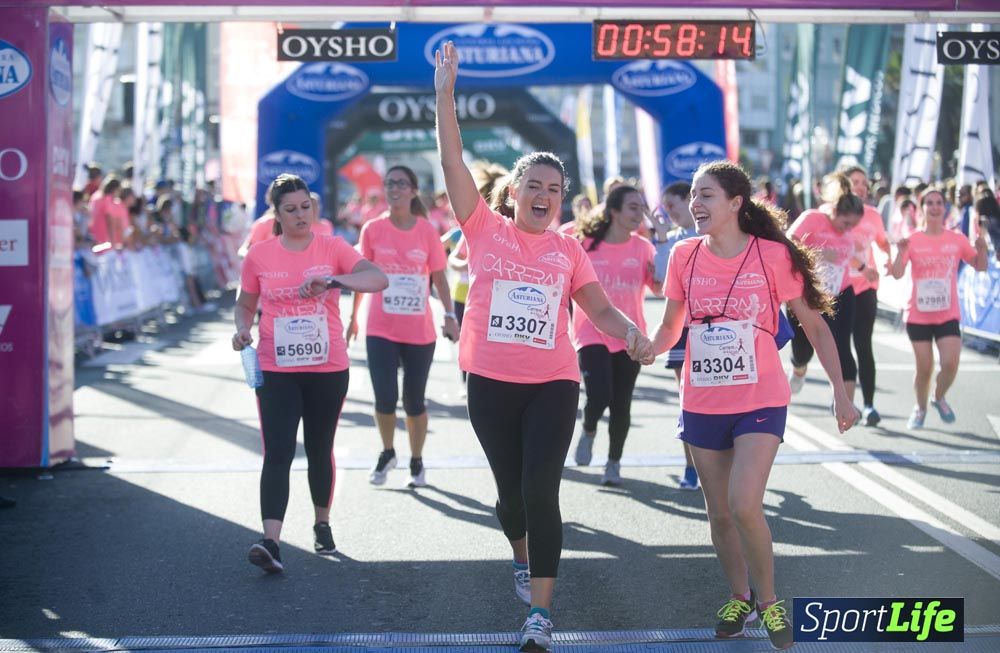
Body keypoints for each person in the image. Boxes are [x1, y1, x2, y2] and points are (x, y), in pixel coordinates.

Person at [435, 41, 653, 653]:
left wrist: (631, 332)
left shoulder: (567, 249)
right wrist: (445, 97)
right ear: (514, 192)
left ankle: (540, 613)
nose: (545, 194)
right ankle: (520, 554)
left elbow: (599, 308)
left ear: (562, 199)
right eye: (534, 184)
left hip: (554, 381)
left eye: (555, 188)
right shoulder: (483, 228)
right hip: (490, 380)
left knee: (541, 489)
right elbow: (452, 163)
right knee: (510, 497)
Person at [650, 160, 858, 650]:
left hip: (761, 395)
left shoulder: (772, 256)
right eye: (694, 196)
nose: (695, 205)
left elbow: (815, 324)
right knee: (719, 512)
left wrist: (841, 391)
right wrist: (647, 346)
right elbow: (669, 328)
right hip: (702, 397)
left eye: (706, 196)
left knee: (745, 503)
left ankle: (768, 602)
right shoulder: (683, 256)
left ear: (736, 203)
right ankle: (738, 596)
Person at [233, 173, 388, 573]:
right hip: (276, 366)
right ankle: (271, 540)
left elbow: (377, 278)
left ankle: (322, 522)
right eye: (291, 210)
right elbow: (245, 303)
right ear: (277, 215)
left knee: (320, 448)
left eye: (306, 207)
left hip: (327, 367)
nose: (301, 215)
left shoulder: (332, 246)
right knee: (279, 451)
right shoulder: (260, 255)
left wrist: (334, 280)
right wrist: (242, 329)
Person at [346, 165, 460, 488]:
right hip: (381, 327)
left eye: (401, 183)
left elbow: (439, 277)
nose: (394, 188)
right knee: (384, 397)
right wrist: (353, 317)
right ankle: (387, 452)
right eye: (390, 183)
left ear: (412, 190)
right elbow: (360, 273)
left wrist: (450, 316)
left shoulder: (425, 231)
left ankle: (417, 459)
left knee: (413, 401)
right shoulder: (371, 229)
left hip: (418, 331)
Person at [570, 185, 659, 486]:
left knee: (621, 403)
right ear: (614, 211)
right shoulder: (586, 245)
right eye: (633, 207)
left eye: (642, 207)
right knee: (599, 394)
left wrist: (660, 241)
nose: (640, 213)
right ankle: (589, 426)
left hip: (630, 335)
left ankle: (613, 462)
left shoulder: (644, 247)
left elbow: (659, 288)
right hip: (590, 331)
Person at [890, 188, 988, 429]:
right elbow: (897, 273)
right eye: (930, 203)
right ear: (922, 208)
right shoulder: (912, 239)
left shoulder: (956, 239)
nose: (935, 207)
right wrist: (901, 254)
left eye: (939, 203)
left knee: (951, 364)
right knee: (924, 368)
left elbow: (980, 266)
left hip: (947, 313)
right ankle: (920, 408)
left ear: (945, 208)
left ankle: (938, 396)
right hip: (918, 315)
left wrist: (982, 248)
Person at [787, 173, 865, 406]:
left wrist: (864, 268)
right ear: (834, 211)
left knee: (842, 345)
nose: (848, 229)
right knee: (803, 349)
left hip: (839, 291)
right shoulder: (812, 218)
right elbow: (788, 243)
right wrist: (817, 253)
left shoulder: (848, 231)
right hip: (805, 292)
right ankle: (799, 368)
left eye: (853, 226)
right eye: (846, 223)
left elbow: (844, 256)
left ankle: (844, 402)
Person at [652, 181, 701, 489]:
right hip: (682, 330)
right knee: (689, 402)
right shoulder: (671, 241)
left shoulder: (715, 233)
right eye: (665, 208)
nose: (669, 213)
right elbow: (659, 280)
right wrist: (659, 238)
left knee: (725, 401)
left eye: (673, 206)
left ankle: (728, 465)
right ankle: (691, 467)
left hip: (719, 330)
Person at [842, 167, 890, 426]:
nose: (861, 186)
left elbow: (882, 241)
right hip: (840, 286)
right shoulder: (834, 214)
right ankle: (844, 398)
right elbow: (834, 246)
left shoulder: (872, 215)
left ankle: (869, 404)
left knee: (864, 344)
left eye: (863, 182)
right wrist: (861, 267)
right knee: (841, 345)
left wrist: (891, 254)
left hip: (866, 287)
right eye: (855, 182)